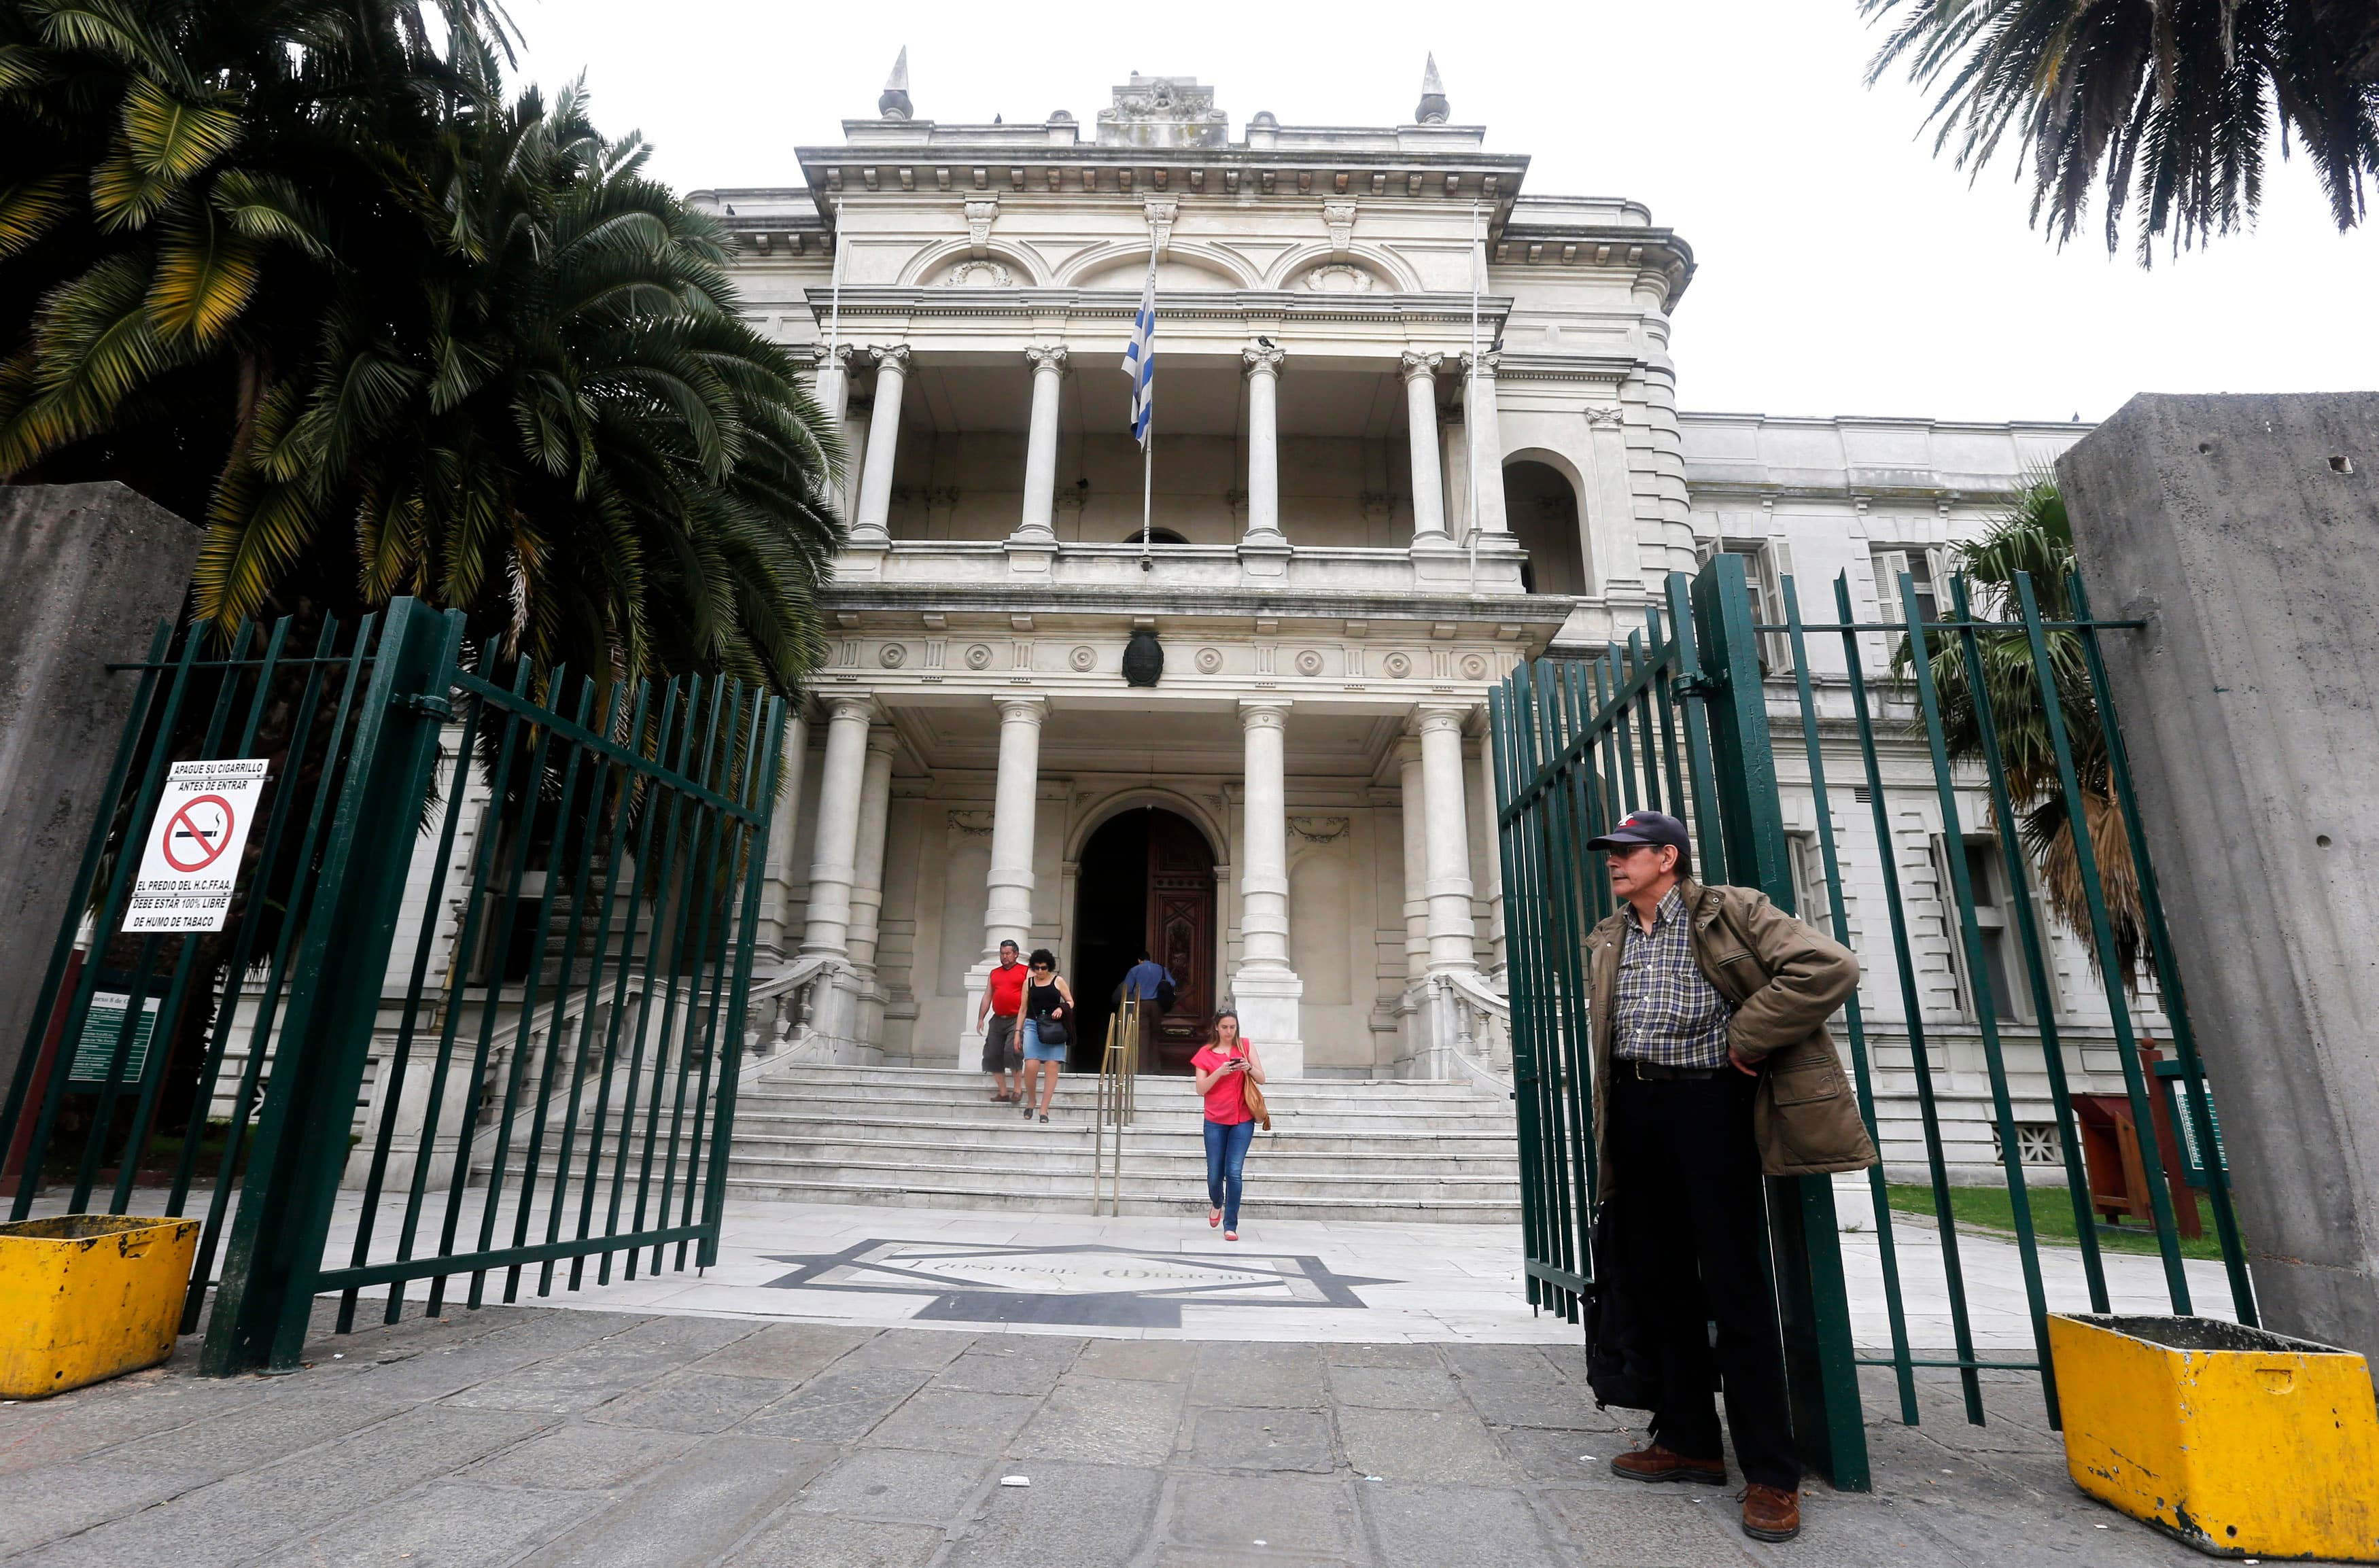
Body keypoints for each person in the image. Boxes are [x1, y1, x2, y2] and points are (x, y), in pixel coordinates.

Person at [1582, 809, 1875, 1546]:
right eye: (1610, 855)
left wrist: (1746, 1036)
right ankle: (1688, 1439)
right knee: (1660, 1283)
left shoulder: (1730, 911)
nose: (1613, 864)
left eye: (1625, 853)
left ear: (1666, 858)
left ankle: (1772, 1474)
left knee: (1734, 1287)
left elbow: (1827, 966)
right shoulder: (1611, 934)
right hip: (1635, 1107)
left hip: (1709, 1106)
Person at [1190, 1010, 1263, 1241]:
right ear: (1217, 1028)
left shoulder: (1245, 1047)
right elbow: (1201, 1089)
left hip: (1242, 1118)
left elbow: (1262, 1078)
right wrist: (1220, 1072)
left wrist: (1247, 1068)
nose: (1229, 1032)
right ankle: (1216, 1202)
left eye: (1233, 1027)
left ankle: (1230, 1225)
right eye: (1225, 1027)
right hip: (1214, 1120)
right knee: (1214, 1175)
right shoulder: (1205, 1054)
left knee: (1234, 1173)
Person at [1018, 947, 1075, 1124]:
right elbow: (1022, 1009)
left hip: (1054, 1027)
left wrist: (1061, 1008)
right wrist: (1016, 1033)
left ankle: (1044, 1109)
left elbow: (1071, 1001)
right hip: (1032, 1025)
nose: (1040, 971)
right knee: (1031, 1064)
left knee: (1052, 1067)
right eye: (1037, 968)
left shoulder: (1058, 981)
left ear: (1049, 967)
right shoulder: (1028, 983)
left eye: (1044, 967)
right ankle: (1031, 1100)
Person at [973, 939, 1028, 1103]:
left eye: (1008, 953)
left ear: (1016, 954)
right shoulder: (994, 973)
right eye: (1002, 953)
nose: (1004, 957)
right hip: (997, 1019)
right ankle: (1003, 1093)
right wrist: (981, 1018)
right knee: (991, 1054)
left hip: (1016, 1019)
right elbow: (987, 996)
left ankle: (1018, 1089)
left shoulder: (1026, 972)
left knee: (1012, 1051)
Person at [1120, 948, 1173, 1013]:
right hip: (1158, 1004)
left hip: (1141, 1004)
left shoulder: (1134, 970)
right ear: (1150, 959)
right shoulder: (1162, 969)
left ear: (1139, 960)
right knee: (1156, 1023)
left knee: (1143, 1023)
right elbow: (1173, 983)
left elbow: (1127, 989)